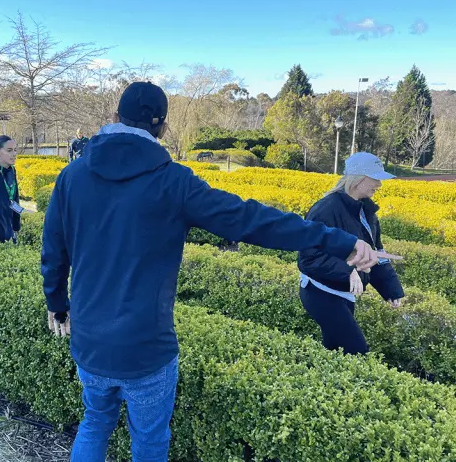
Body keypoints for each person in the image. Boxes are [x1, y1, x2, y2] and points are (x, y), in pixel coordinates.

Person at [40, 81, 397, 462]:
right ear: (162, 128)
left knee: (95, 422)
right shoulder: (174, 182)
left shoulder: (71, 176)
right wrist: (340, 242)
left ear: (115, 117)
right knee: (148, 438)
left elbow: (54, 248)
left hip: (90, 339)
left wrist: (57, 303)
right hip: (146, 346)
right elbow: (252, 220)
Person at [298, 152, 405, 355]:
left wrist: (391, 290)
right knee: (355, 351)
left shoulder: (366, 211)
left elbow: (375, 252)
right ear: (359, 179)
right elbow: (309, 256)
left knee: (335, 352)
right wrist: (347, 270)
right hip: (320, 292)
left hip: (345, 292)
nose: (379, 185)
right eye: (376, 179)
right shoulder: (326, 209)